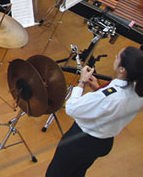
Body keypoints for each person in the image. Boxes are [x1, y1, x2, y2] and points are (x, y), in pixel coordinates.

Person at [45, 46, 143, 177]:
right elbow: (110, 109)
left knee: (57, 172)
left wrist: (81, 82)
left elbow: (72, 108)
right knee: (77, 171)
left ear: (122, 69)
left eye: (117, 57)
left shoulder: (110, 96)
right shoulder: (138, 90)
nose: (115, 58)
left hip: (81, 143)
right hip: (102, 142)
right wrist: (98, 90)